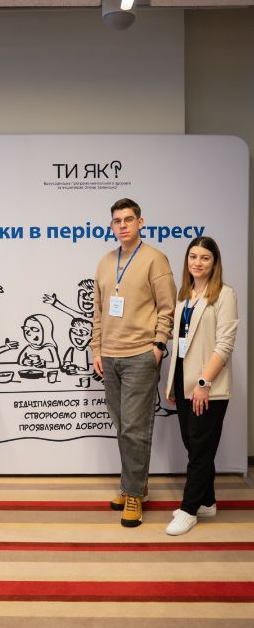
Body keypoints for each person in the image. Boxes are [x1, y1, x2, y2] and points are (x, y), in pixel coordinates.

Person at [91, 198, 176, 527]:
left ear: (140, 222)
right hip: (109, 357)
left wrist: (158, 346)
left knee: (134, 429)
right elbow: (98, 311)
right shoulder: (105, 262)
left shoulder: (155, 259)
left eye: (129, 219)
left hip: (141, 354)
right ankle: (133, 486)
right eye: (117, 221)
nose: (123, 225)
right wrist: (97, 349)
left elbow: (167, 307)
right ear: (111, 226)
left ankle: (134, 495)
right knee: (122, 426)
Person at [165, 237, 238, 536]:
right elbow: (182, 342)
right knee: (193, 444)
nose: (197, 262)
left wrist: (204, 382)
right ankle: (206, 501)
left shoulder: (224, 294)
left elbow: (225, 344)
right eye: (193, 256)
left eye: (205, 257)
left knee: (199, 450)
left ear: (214, 262)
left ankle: (189, 510)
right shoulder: (184, 296)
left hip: (207, 386)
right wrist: (174, 382)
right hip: (183, 381)